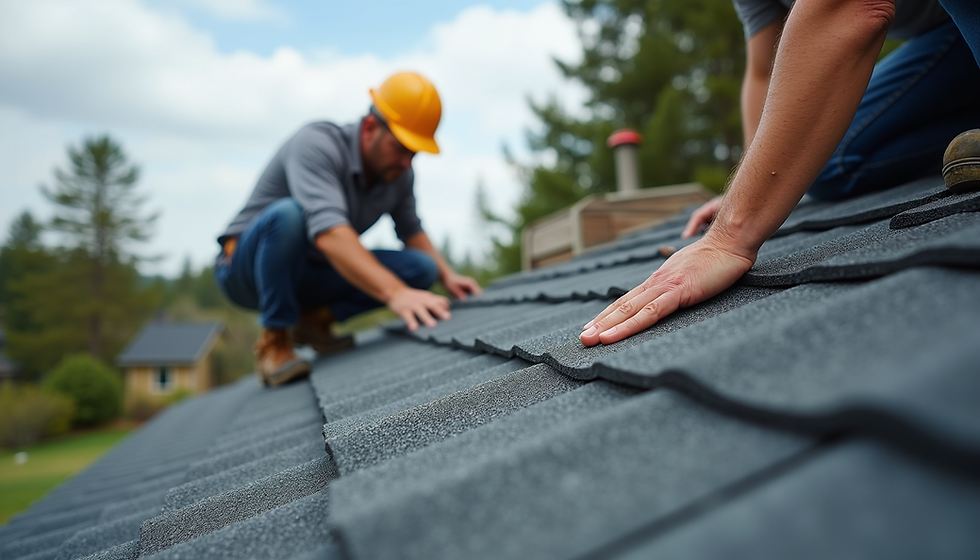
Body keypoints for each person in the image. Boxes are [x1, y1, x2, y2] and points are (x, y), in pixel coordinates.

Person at [581, 0, 980, 348]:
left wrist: (727, 239)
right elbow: (762, 71)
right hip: (955, 40)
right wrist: (748, 186)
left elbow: (853, 8)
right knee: (827, 160)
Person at [217, 72, 482, 386]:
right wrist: (395, 293)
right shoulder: (316, 144)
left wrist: (447, 275)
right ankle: (275, 343)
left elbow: (412, 231)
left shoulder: (399, 174)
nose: (407, 162)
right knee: (289, 215)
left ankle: (311, 322)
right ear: (370, 127)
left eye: (414, 153)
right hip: (247, 271)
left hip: (312, 272)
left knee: (421, 269)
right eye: (400, 148)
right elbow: (330, 235)